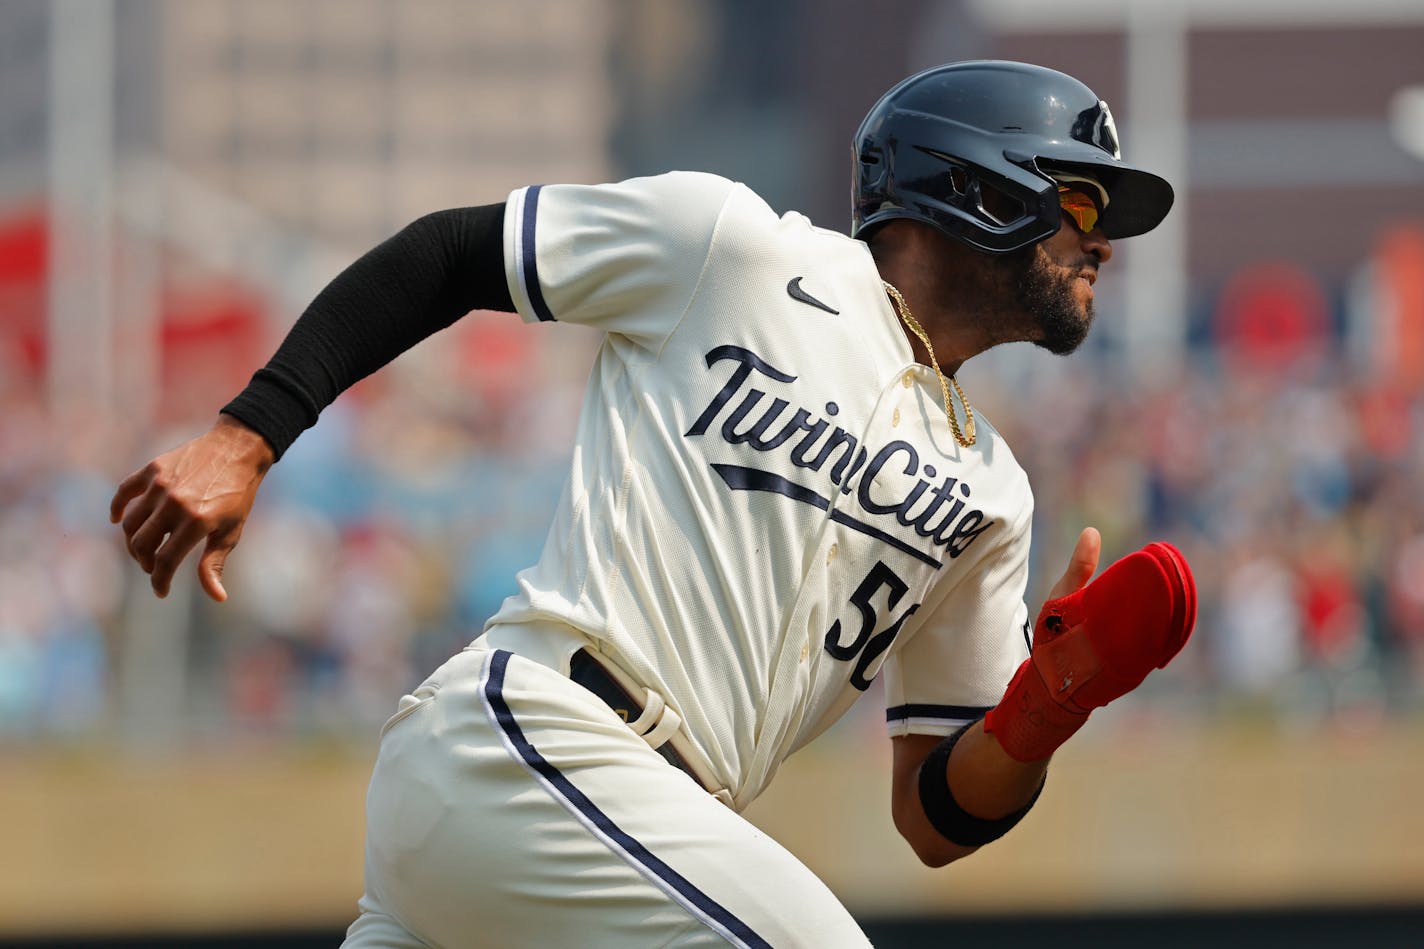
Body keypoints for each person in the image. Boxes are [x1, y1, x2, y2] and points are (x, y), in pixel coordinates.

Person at [110, 61, 1197, 947]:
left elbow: (933, 817)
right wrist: (249, 432)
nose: (1099, 241)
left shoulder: (993, 492)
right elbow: (450, 255)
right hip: (539, 741)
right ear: (975, 186)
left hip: (616, 848)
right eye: (1074, 200)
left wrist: (1043, 709)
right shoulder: (736, 251)